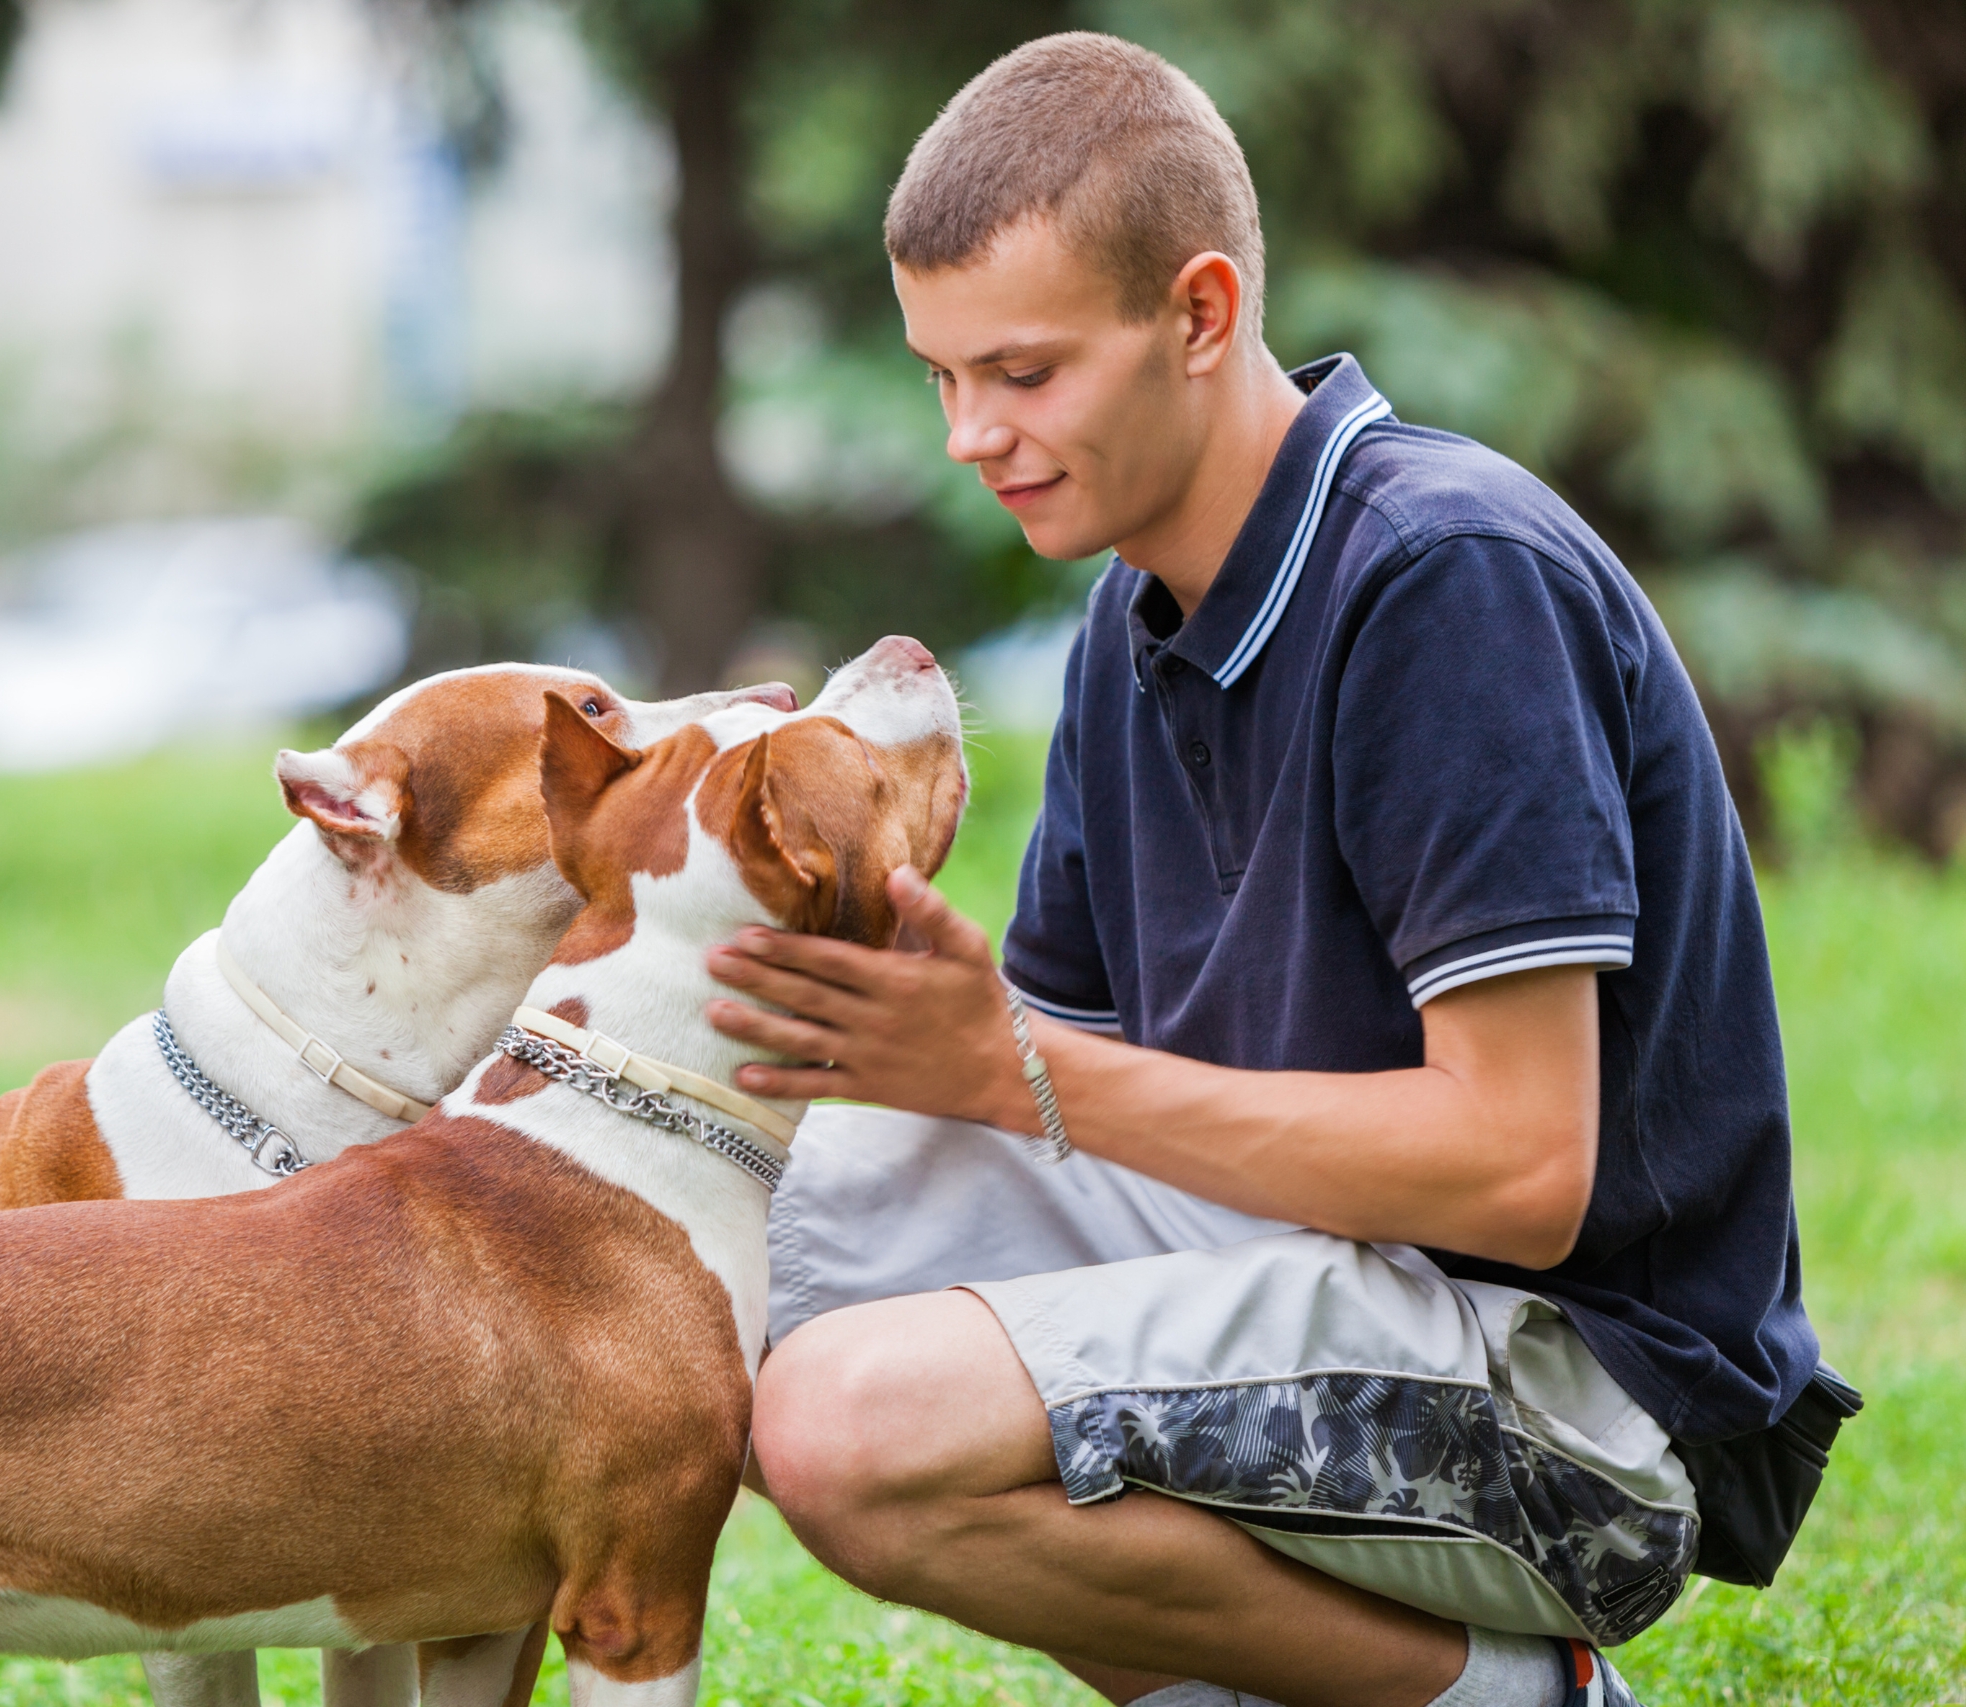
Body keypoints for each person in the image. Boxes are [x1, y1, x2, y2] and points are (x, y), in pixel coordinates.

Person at [706, 32, 1847, 1707]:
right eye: (940, 376)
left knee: (843, 1422)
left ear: (1201, 313)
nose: (968, 434)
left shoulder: (1446, 577)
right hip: (1300, 1266)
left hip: (1583, 1404)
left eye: (1022, 373)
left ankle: (1520, 1698)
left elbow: (1523, 1168)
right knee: (699, 1276)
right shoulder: (1130, 619)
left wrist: (1012, 1068)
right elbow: (1059, 1101)